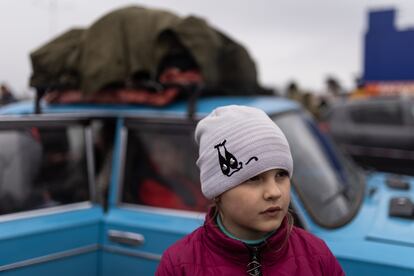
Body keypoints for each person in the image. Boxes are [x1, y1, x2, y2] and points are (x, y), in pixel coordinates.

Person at [156, 105, 345, 275]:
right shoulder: (179, 265)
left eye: (281, 174)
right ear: (218, 191)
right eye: (253, 178)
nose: (274, 192)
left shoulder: (316, 254)